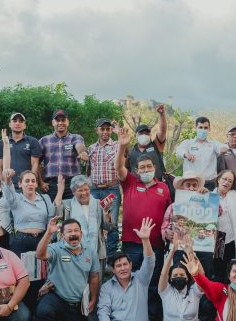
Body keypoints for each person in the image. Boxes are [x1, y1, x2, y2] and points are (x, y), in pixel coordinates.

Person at [81, 218, 161, 321]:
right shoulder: (107, 287)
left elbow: (150, 261)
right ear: (113, 270)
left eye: (125, 264)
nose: (123, 268)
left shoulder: (141, 279)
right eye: (118, 266)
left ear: (130, 265)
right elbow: (103, 312)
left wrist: (145, 240)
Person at [115, 122, 172, 288]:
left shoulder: (164, 188)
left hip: (155, 245)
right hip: (132, 243)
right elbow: (118, 168)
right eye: (142, 168)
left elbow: (170, 214)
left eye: (149, 167)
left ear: (154, 168)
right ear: (136, 170)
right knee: (130, 283)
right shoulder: (130, 182)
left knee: (153, 284)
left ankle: (152, 315)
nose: (145, 170)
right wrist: (121, 147)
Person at [2, 165, 57, 314]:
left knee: (40, 278)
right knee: (21, 278)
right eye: (26, 181)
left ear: (37, 184)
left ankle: (35, 315)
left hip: (41, 241)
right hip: (21, 242)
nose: (30, 184)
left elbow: (51, 218)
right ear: (20, 184)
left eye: (33, 181)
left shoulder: (44, 199)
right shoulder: (16, 198)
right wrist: (7, 180)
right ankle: (20, 314)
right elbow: (8, 192)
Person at [87, 118, 122, 255]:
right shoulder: (91, 148)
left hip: (111, 188)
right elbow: (89, 169)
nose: (105, 131)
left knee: (111, 224)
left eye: (108, 129)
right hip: (94, 189)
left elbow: (125, 153)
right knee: (93, 221)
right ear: (97, 130)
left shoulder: (117, 146)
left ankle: (111, 257)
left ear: (111, 130)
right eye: (102, 129)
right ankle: (94, 254)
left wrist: (120, 135)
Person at [40, 109, 88, 198]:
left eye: (63, 120)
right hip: (51, 186)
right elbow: (35, 162)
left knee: (72, 211)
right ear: (52, 122)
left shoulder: (75, 138)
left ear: (68, 122)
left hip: (72, 184)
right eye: (57, 120)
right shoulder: (44, 140)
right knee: (53, 211)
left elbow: (79, 146)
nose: (60, 123)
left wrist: (82, 152)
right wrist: (41, 182)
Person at [175, 116, 227, 189]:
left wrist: (223, 149)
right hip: (191, 184)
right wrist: (186, 154)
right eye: (200, 127)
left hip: (210, 184)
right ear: (196, 128)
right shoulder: (188, 143)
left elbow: (224, 147)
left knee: (211, 200)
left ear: (209, 129)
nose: (203, 130)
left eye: (205, 128)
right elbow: (179, 150)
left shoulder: (213, 144)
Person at [0, 111, 41, 184]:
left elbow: (35, 164)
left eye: (21, 121)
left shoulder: (33, 141)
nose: (17, 123)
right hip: (7, 185)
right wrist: (0, 184)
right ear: (10, 124)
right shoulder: (1, 143)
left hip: (25, 185)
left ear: (25, 125)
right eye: (14, 121)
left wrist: (31, 183)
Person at [214, 169, 236, 281]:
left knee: (233, 269)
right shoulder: (209, 196)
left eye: (230, 181)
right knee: (219, 270)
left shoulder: (233, 195)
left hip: (232, 238)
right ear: (218, 179)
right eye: (224, 179)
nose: (226, 182)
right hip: (218, 239)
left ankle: (233, 295)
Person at [127, 105, 169, 181]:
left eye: (147, 133)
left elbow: (162, 131)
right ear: (135, 135)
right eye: (141, 133)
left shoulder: (156, 145)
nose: (144, 135)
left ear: (150, 134)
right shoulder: (131, 151)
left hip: (157, 186)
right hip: (138, 188)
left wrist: (161, 114)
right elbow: (126, 169)